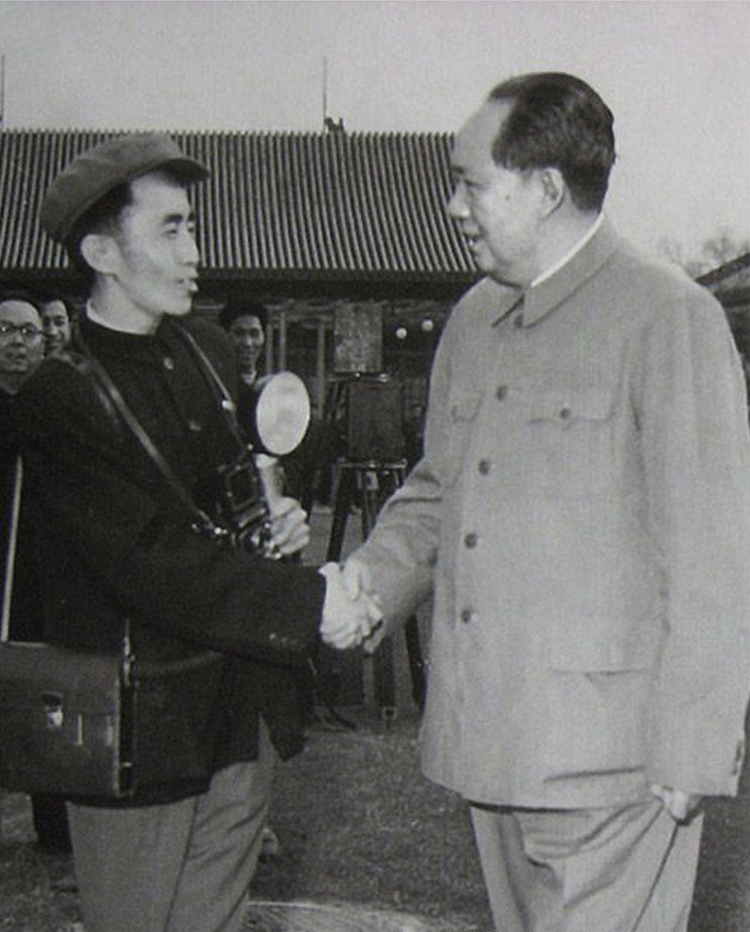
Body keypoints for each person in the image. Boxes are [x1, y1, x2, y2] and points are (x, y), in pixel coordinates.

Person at [343, 72, 750, 932]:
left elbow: (714, 551)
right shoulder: (473, 319)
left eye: (470, 184)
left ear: (548, 189)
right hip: (491, 744)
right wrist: (370, 582)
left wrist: (693, 745)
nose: (453, 207)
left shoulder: (668, 317)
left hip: (613, 765)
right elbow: (439, 490)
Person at [15, 133, 377, 932]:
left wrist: (273, 519)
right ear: (102, 252)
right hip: (141, 734)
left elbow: (231, 501)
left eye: (193, 227)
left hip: (241, 711)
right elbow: (155, 563)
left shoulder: (209, 353)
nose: (195, 252)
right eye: (171, 229)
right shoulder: (57, 399)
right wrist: (312, 600)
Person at [0, 292, 71, 854]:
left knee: (44, 692)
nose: (17, 342)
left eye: (28, 332)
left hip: (41, 573)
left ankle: (53, 820)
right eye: (5, 330)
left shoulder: (55, 409)